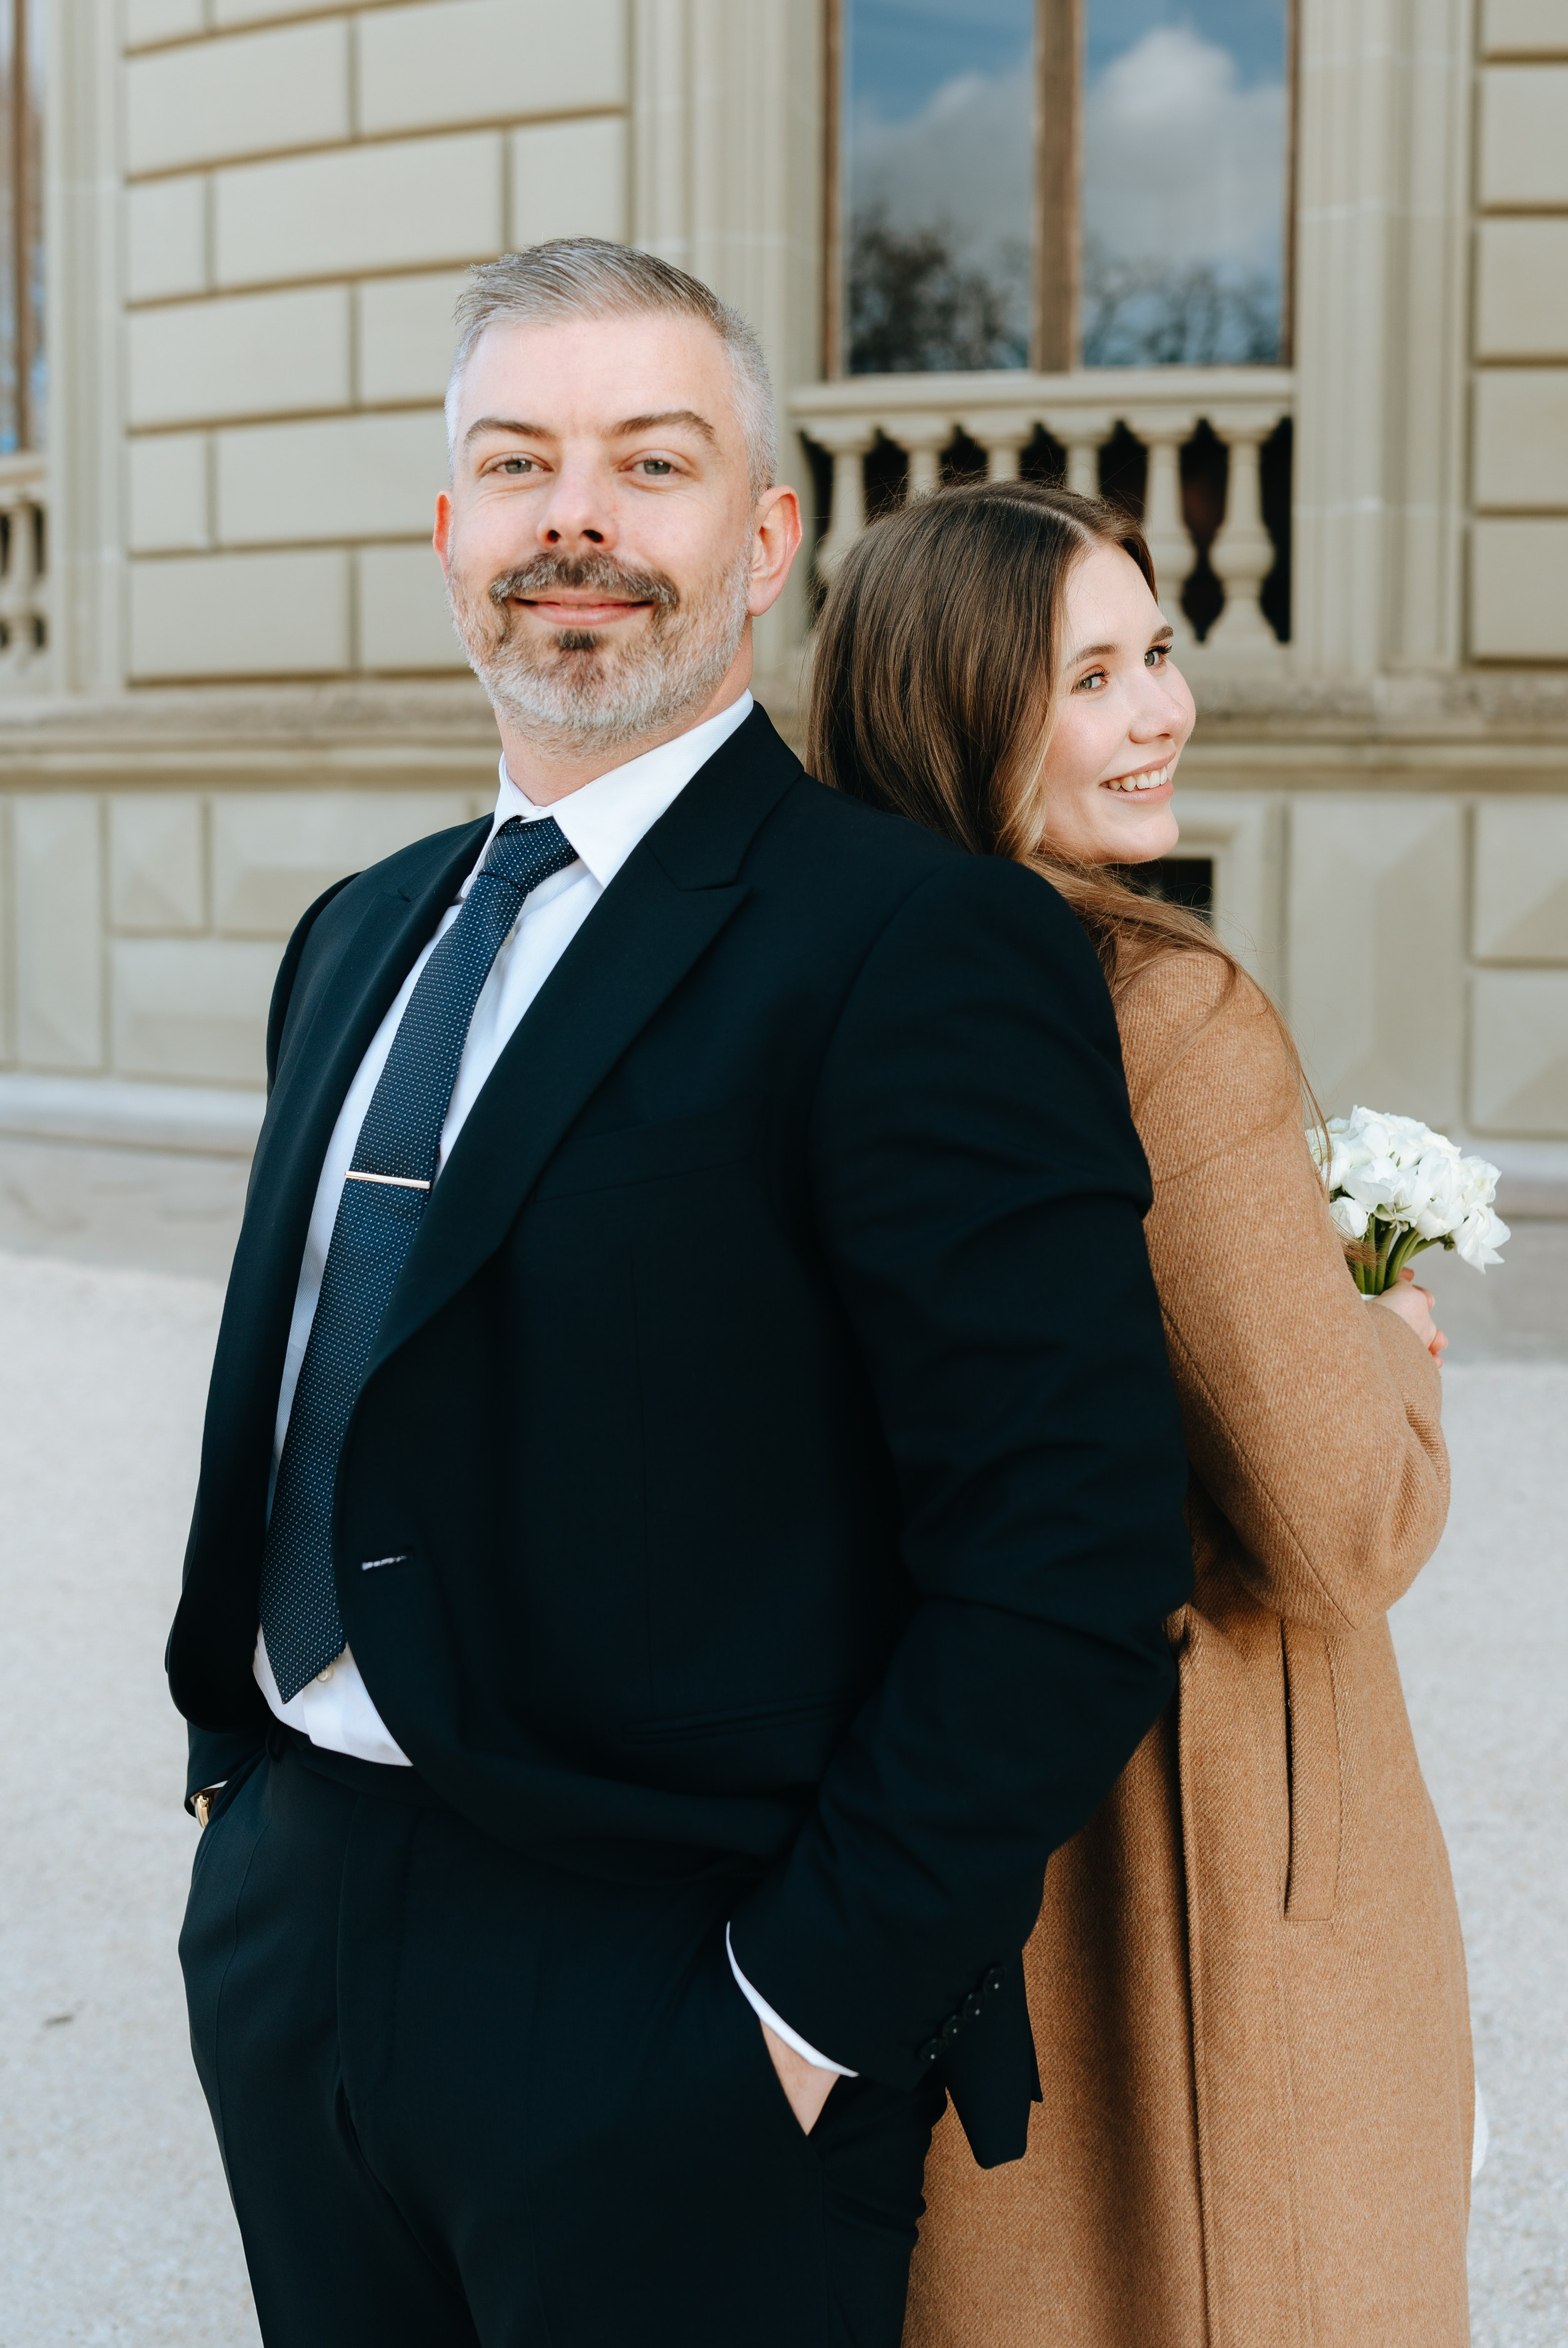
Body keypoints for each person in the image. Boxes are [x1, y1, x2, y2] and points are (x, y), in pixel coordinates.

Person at [166, 245, 1194, 2348]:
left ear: (763, 538)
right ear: (447, 530)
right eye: (519, 462)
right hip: (298, 1933)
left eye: (653, 463)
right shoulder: (356, 938)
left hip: (669, 1995)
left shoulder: (909, 948)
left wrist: (804, 2011)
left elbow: (1071, 1550)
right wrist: (236, 1814)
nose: (580, 521)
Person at [806, 483, 1475, 2348]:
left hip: (928, 1795)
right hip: (1184, 1822)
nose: (1158, 711)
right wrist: (1384, 1337)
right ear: (960, 712)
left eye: (1158, 652)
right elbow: (1347, 1524)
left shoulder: (827, 979)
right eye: (1087, 678)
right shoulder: (1155, 1014)